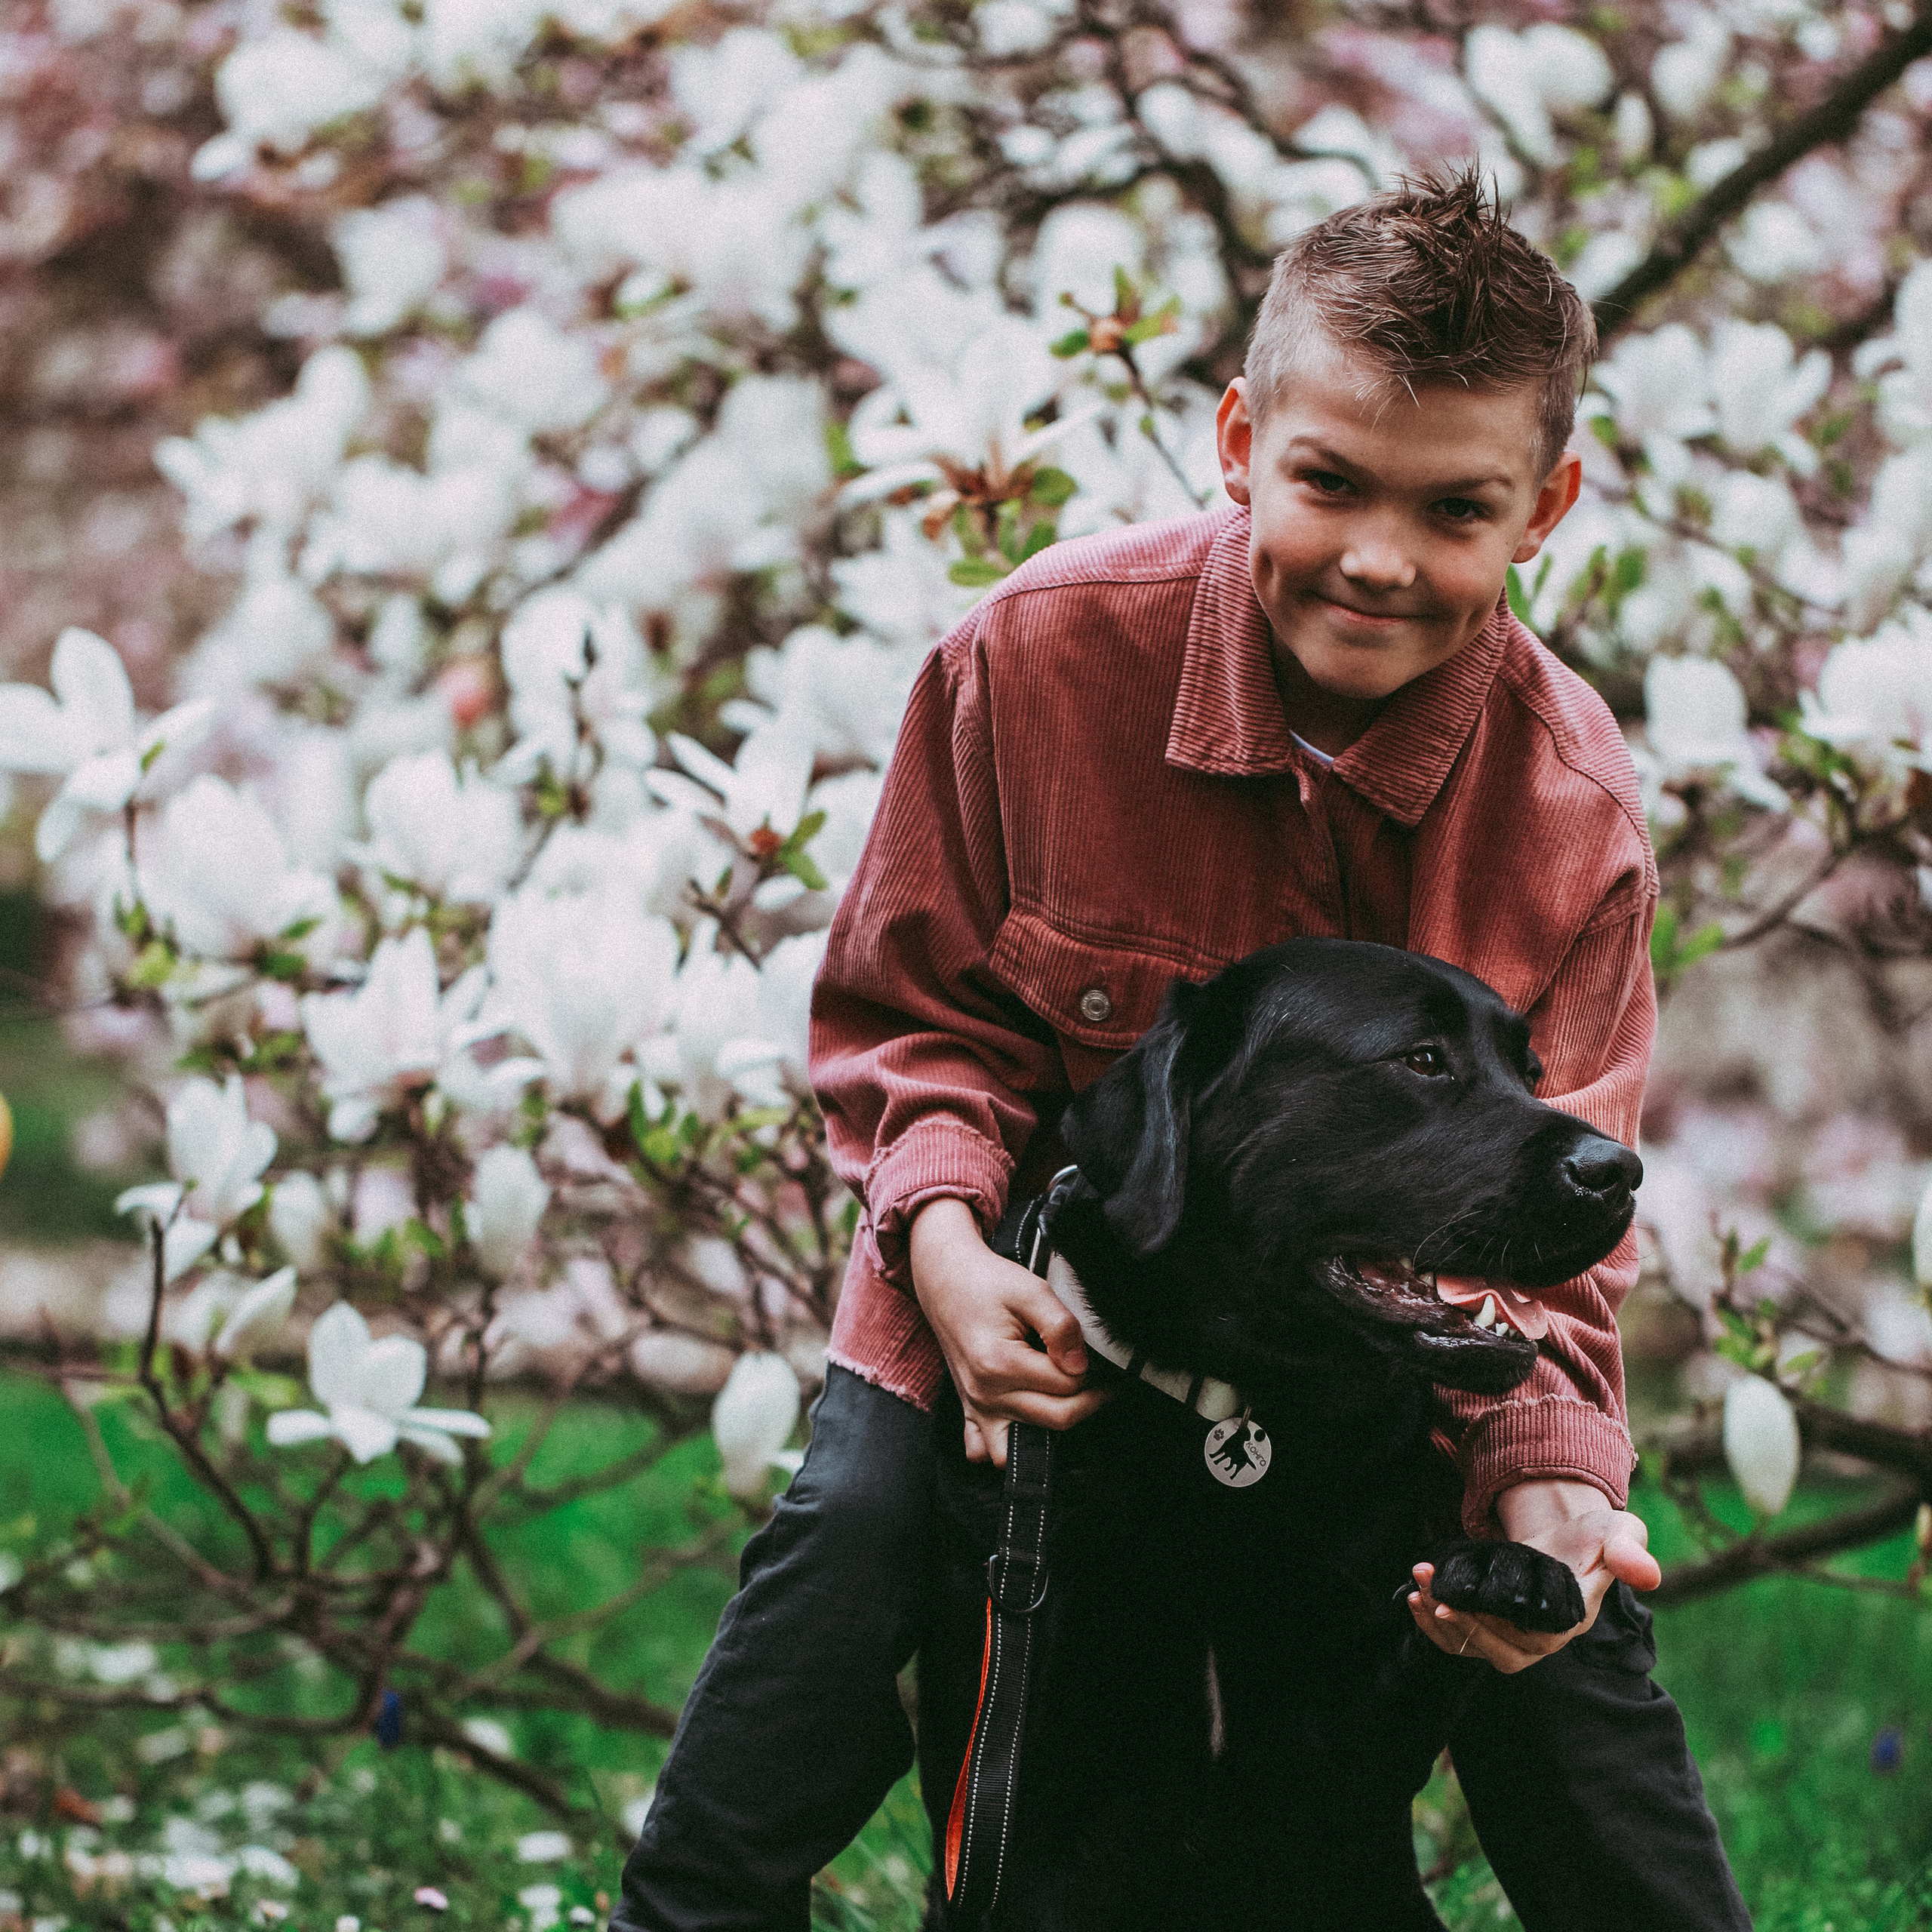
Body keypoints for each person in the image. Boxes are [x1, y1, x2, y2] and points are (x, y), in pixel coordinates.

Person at [616, 170, 1752, 1932]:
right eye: (1328, 483)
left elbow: (1551, 1191)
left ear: (1546, 506)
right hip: (1025, 1306)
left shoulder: (1569, 810)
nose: (1380, 557)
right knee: (847, 1535)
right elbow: (912, 1015)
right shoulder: (1034, 658)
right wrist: (941, 1249)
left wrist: (1541, 1459)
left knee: (1559, 1614)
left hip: (1372, 1346)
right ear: (1237, 439)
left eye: (1454, 509)